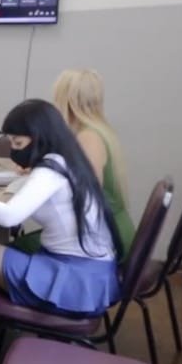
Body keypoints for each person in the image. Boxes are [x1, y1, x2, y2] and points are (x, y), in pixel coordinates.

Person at [0, 100, 122, 364]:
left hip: (72, 279)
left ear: (39, 137)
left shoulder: (50, 171)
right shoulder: (68, 160)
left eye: (18, 143)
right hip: (90, 275)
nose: (14, 150)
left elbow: (10, 216)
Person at [52, 68, 135, 251]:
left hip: (105, 238)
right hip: (109, 229)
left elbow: (86, 197)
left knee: (11, 249)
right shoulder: (100, 130)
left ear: (66, 101)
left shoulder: (88, 137)